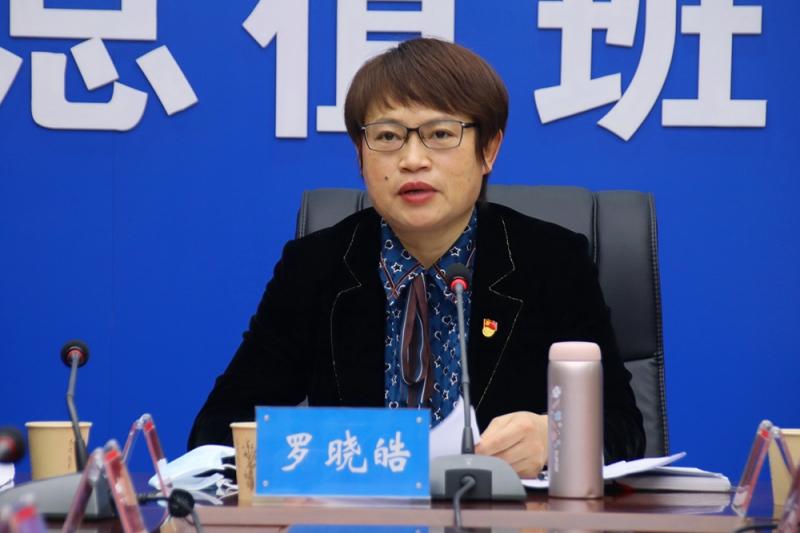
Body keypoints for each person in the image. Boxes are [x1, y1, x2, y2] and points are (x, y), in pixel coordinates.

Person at [188, 38, 645, 478]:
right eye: (387, 136)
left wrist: (554, 439)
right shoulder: (315, 268)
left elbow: (623, 429)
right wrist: (316, 446)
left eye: (440, 134)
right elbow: (217, 428)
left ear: (488, 150)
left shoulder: (553, 263)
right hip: (359, 517)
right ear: (360, 155)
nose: (412, 159)